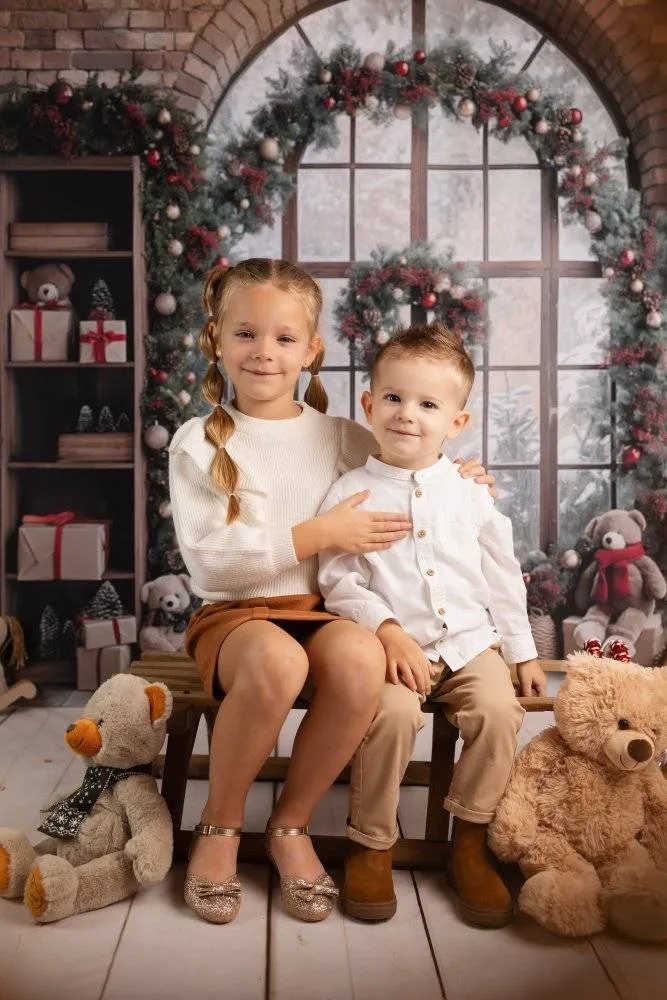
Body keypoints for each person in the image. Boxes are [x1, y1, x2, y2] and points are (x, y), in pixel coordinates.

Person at [168, 261, 494, 925]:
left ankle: (290, 824)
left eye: (285, 338)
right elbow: (209, 564)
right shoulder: (197, 442)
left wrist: (461, 480)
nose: (264, 352)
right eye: (246, 334)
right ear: (216, 338)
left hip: (324, 611)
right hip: (235, 616)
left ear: (311, 350)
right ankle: (220, 825)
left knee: (360, 659)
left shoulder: (344, 436)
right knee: (278, 662)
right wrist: (318, 534)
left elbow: (413, 470)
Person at [318, 323, 546, 928]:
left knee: (498, 712)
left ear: (456, 422)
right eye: (393, 398)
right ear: (368, 404)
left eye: (427, 404)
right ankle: (371, 842)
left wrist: (521, 651)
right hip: (392, 650)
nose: (407, 414)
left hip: (469, 645)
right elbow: (339, 581)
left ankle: (469, 840)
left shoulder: (469, 493)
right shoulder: (351, 492)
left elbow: (502, 573)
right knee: (391, 716)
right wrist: (387, 629)